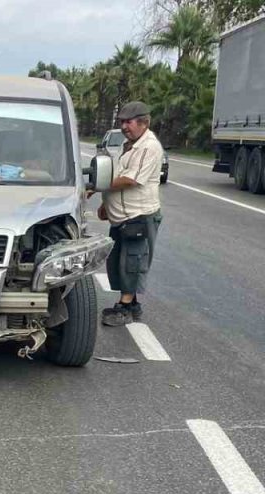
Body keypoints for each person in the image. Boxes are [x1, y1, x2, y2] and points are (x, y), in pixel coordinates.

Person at [95, 101, 164, 327]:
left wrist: (97, 186)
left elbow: (130, 179)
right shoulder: (128, 145)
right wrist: (107, 204)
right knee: (118, 261)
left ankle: (125, 308)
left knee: (132, 262)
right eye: (122, 121)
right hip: (122, 217)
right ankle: (131, 303)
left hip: (139, 216)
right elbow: (119, 172)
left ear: (144, 123)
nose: (125, 126)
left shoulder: (149, 147)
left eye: (129, 122)